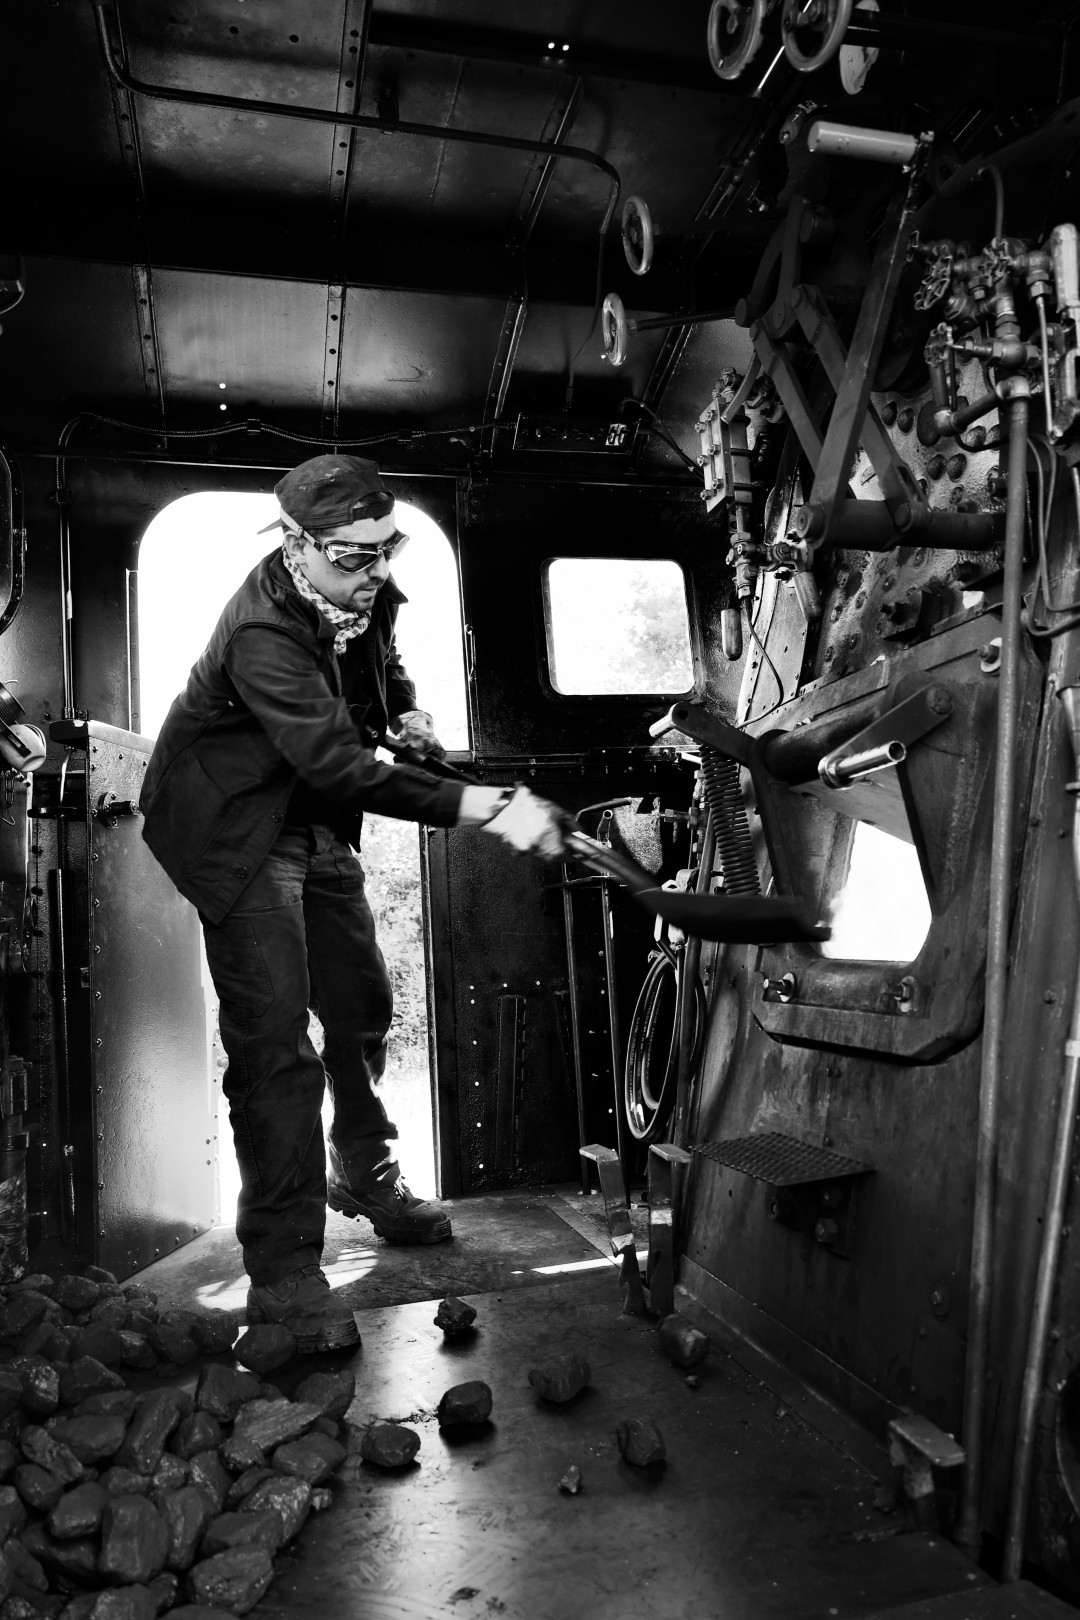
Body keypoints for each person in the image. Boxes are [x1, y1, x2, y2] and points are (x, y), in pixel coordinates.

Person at [140, 454, 565, 1353]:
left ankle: (364, 1175)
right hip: (234, 827)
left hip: (312, 819)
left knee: (361, 1005)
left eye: (387, 548)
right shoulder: (264, 631)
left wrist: (407, 714)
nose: (375, 569)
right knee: (275, 1044)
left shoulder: (363, 592)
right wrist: (483, 805)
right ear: (296, 545)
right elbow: (336, 762)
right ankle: (286, 1269)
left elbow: (385, 669)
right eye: (352, 554)